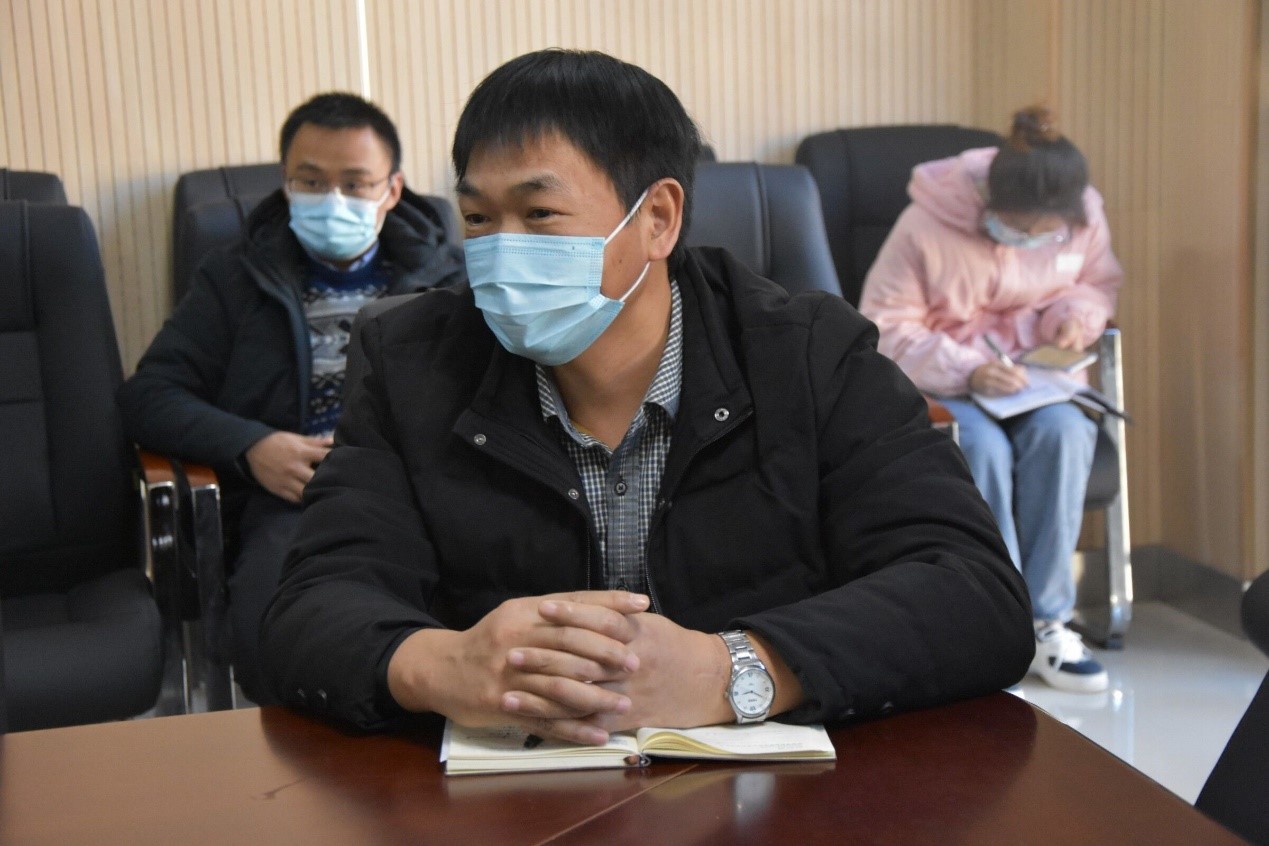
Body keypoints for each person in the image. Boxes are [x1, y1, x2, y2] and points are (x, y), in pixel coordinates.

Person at [259, 49, 1034, 742]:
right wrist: (440, 664)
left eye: (538, 213)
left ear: (658, 218)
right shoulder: (412, 363)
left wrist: (735, 669)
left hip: (774, 805)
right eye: (478, 219)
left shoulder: (808, 353)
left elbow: (974, 597)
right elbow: (310, 608)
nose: (500, 251)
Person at [118, 92, 465, 703]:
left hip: (428, 490)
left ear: (392, 190)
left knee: (461, 629)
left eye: (355, 184)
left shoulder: (451, 276)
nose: (333, 201)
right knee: (279, 645)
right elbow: (150, 395)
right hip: (297, 497)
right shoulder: (233, 278)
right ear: (285, 183)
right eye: (311, 181)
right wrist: (253, 446)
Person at [859, 107, 1124, 694]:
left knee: (1066, 433)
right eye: (1022, 230)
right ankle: (993, 616)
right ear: (990, 206)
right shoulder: (923, 224)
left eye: (1047, 235)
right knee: (979, 447)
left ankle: (1048, 620)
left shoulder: (1081, 213)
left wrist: (1073, 318)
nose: (1034, 243)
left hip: (1035, 378)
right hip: (944, 378)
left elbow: (1094, 283)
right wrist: (969, 370)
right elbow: (884, 325)